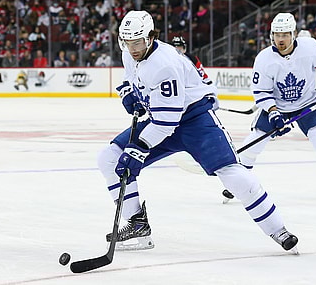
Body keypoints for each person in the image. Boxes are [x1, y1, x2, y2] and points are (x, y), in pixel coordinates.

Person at [96, 10, 298, 253]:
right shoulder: (130, 51)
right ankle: (137, 223)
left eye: (137, 42)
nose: (132, 48)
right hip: (162, 117)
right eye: (127, 43)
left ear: (150, 37)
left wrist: (138, 150)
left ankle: (278, 229)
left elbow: (167, 123)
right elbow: (130, 77)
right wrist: (128, 93)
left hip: (195, 120)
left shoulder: (165, 63)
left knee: (233, 173)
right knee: (109, 158)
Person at [238, 13, 316, 205]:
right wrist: (273, 112)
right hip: (277, 106)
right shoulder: (264, 59)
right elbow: (261, 91)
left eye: (284, 34)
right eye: (276, 34)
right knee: (255, 141)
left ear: (293, 34)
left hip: (306, 104)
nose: (280, 39)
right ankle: (238, 183)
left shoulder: (309, 48)